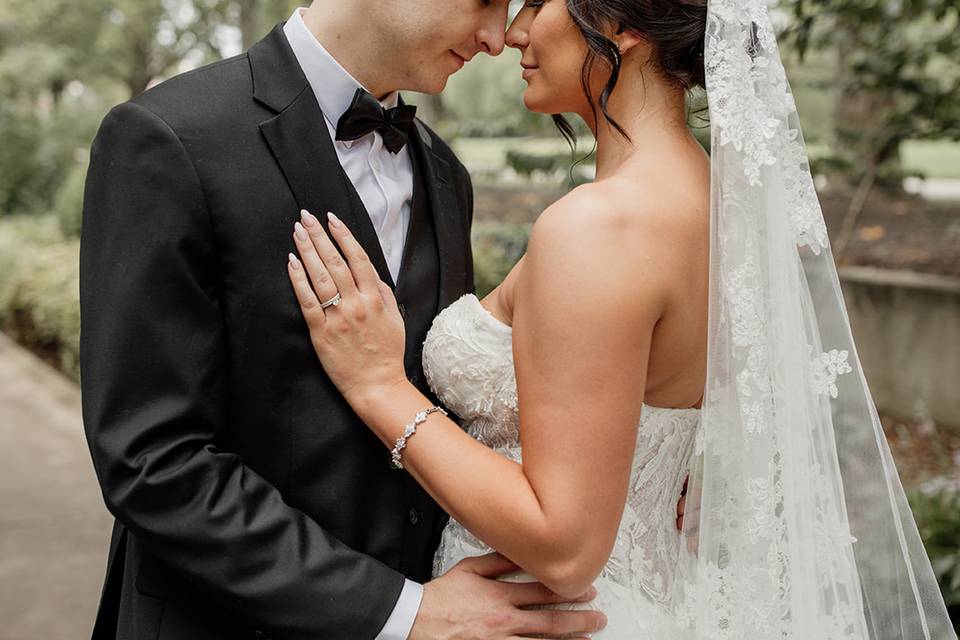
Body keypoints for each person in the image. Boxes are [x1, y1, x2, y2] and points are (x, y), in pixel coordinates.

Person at [285, 0, 957, 638]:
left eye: (538, 6)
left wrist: (380, 388)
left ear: (620, 25)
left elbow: (565, 545)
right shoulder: (721, 209)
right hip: (652, 601)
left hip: (549, 618)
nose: (512, 34)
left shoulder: (602, 228)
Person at [80, 1, 608, 638]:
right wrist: (400, 613)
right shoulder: (168, 136)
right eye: (485, 1)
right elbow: (154, 460)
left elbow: (443, 400)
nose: (498, 39)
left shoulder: (446, 175)